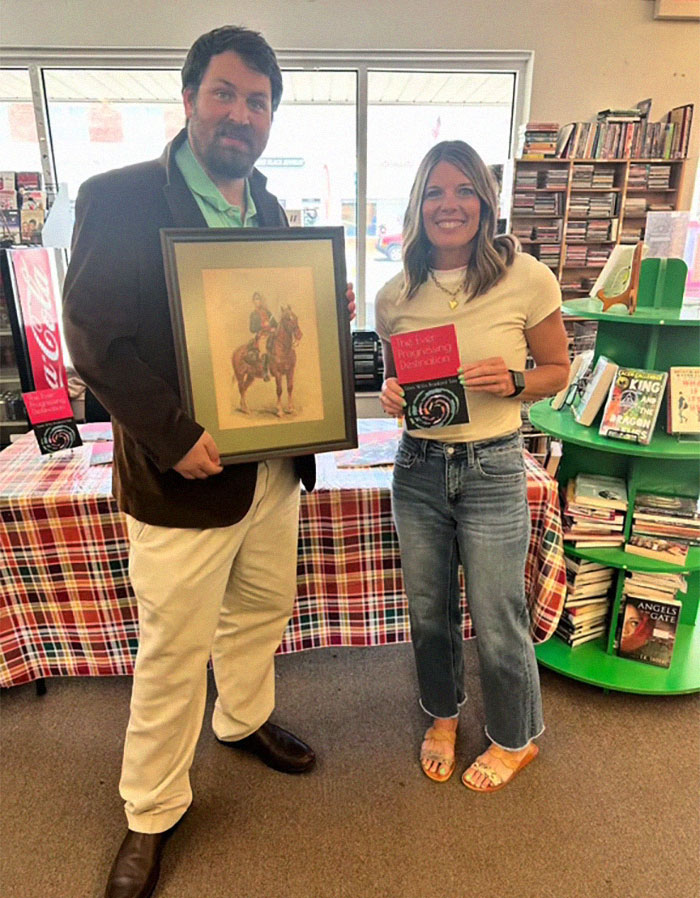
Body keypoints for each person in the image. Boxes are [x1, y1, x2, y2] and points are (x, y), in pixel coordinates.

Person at [63, 26, 354, 898]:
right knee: (172, 648)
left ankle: (244, 720)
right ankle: (151, 812)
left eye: (258, 101)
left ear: (272, 116)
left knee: (262, 612)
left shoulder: (268, 209)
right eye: (225, 94)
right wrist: (173, 435)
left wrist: (322, 304)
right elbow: (96, 341)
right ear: (189, 98)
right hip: (180, 478)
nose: (241, 114)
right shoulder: (116, 197)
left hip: (271, 469)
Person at [376, 140, 570, 793]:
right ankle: (443, 716)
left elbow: (558, 372)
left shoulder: (527, 276)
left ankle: (515, 739)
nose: (449, 204)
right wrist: (391, 393)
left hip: (491, 466)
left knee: (497, 610)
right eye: (435, 191)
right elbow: (397, 378)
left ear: (485, 203)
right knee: (429, 609)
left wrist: (517, 380)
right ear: (418, 203)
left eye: (463, 191)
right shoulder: (396, 292)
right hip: (418, 467)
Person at [249, 290, 277, 380]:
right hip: (261, 335)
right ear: (254, 301)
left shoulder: (267, 312)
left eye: (259, 299)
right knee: (264, 348)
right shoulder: (253, 314)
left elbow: (275, 324)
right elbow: (252, 328)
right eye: (256, 299)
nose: (258, 301)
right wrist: (262, 325)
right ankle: (265, 372)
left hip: (271, 333)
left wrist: (273, 328)